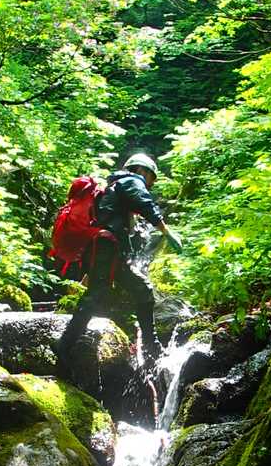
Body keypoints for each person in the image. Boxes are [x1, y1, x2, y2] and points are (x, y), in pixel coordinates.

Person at [54, 151, 181, 371]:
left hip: (107, 251)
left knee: (141, 289)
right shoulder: (131, 181)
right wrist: (167, 232)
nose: (150, 184)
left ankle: (152, 347)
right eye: (151, 178)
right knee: (97, 296)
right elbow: (146, 204)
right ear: (142, 170)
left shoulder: (114, 185)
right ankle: (64, 344)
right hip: (106, 249)